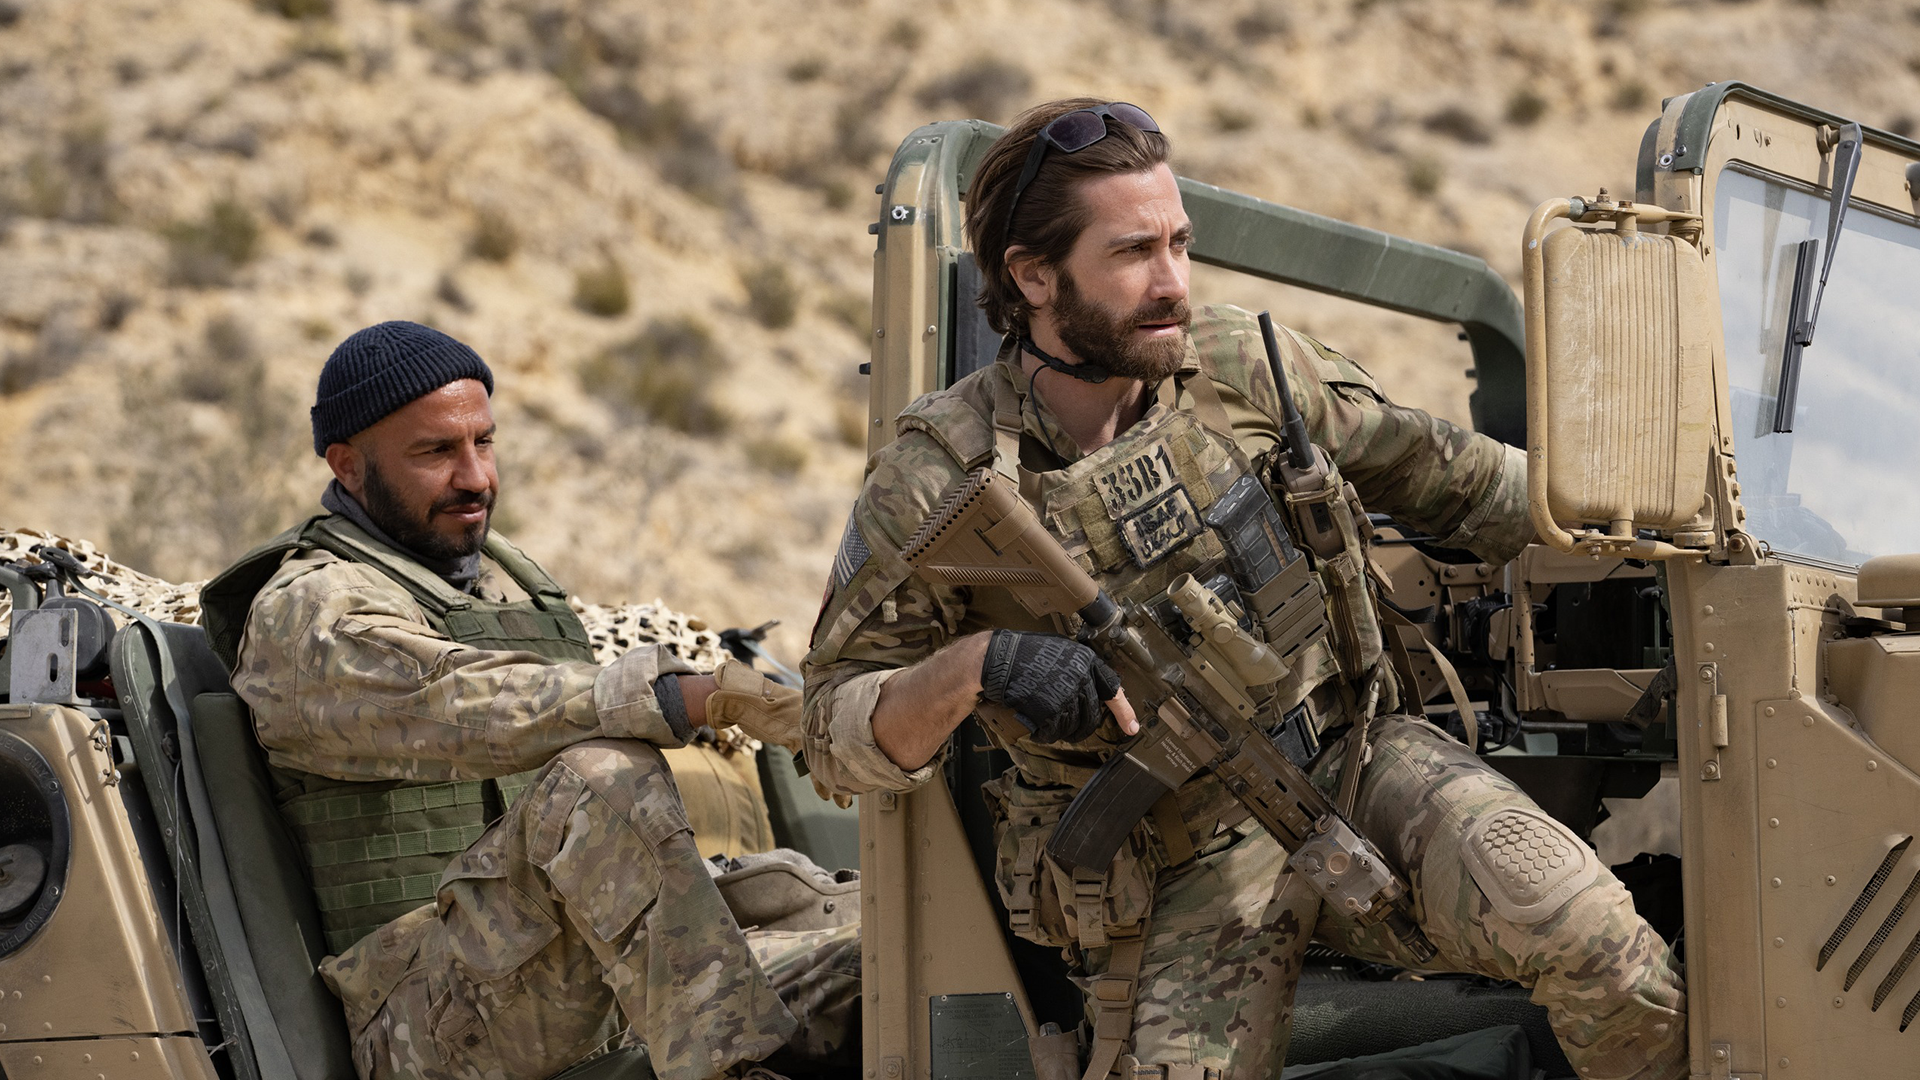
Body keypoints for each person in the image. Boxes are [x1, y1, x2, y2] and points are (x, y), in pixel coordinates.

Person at [800, 99, 1686, 1080]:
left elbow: (1468, 484)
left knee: (1606, 952)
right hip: (1170, 863)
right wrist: (980, 664)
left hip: (1355, 763)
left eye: (1180, 244)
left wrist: (1674, 534)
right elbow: (832, 729)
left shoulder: (1242, 369)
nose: (1173, 283)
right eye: (1133, 253)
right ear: (1034, 276)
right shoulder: (937, 479)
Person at [199, 321, 857, 1080]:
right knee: (603, 776)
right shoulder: (309, 611)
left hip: (550, 965)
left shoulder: (508, 583)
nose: (475, 476)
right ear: (348, 466)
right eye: (436, 452)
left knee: (858, 947)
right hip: (421, 1022)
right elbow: (461, 702)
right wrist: (693, 697)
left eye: (484, 442)